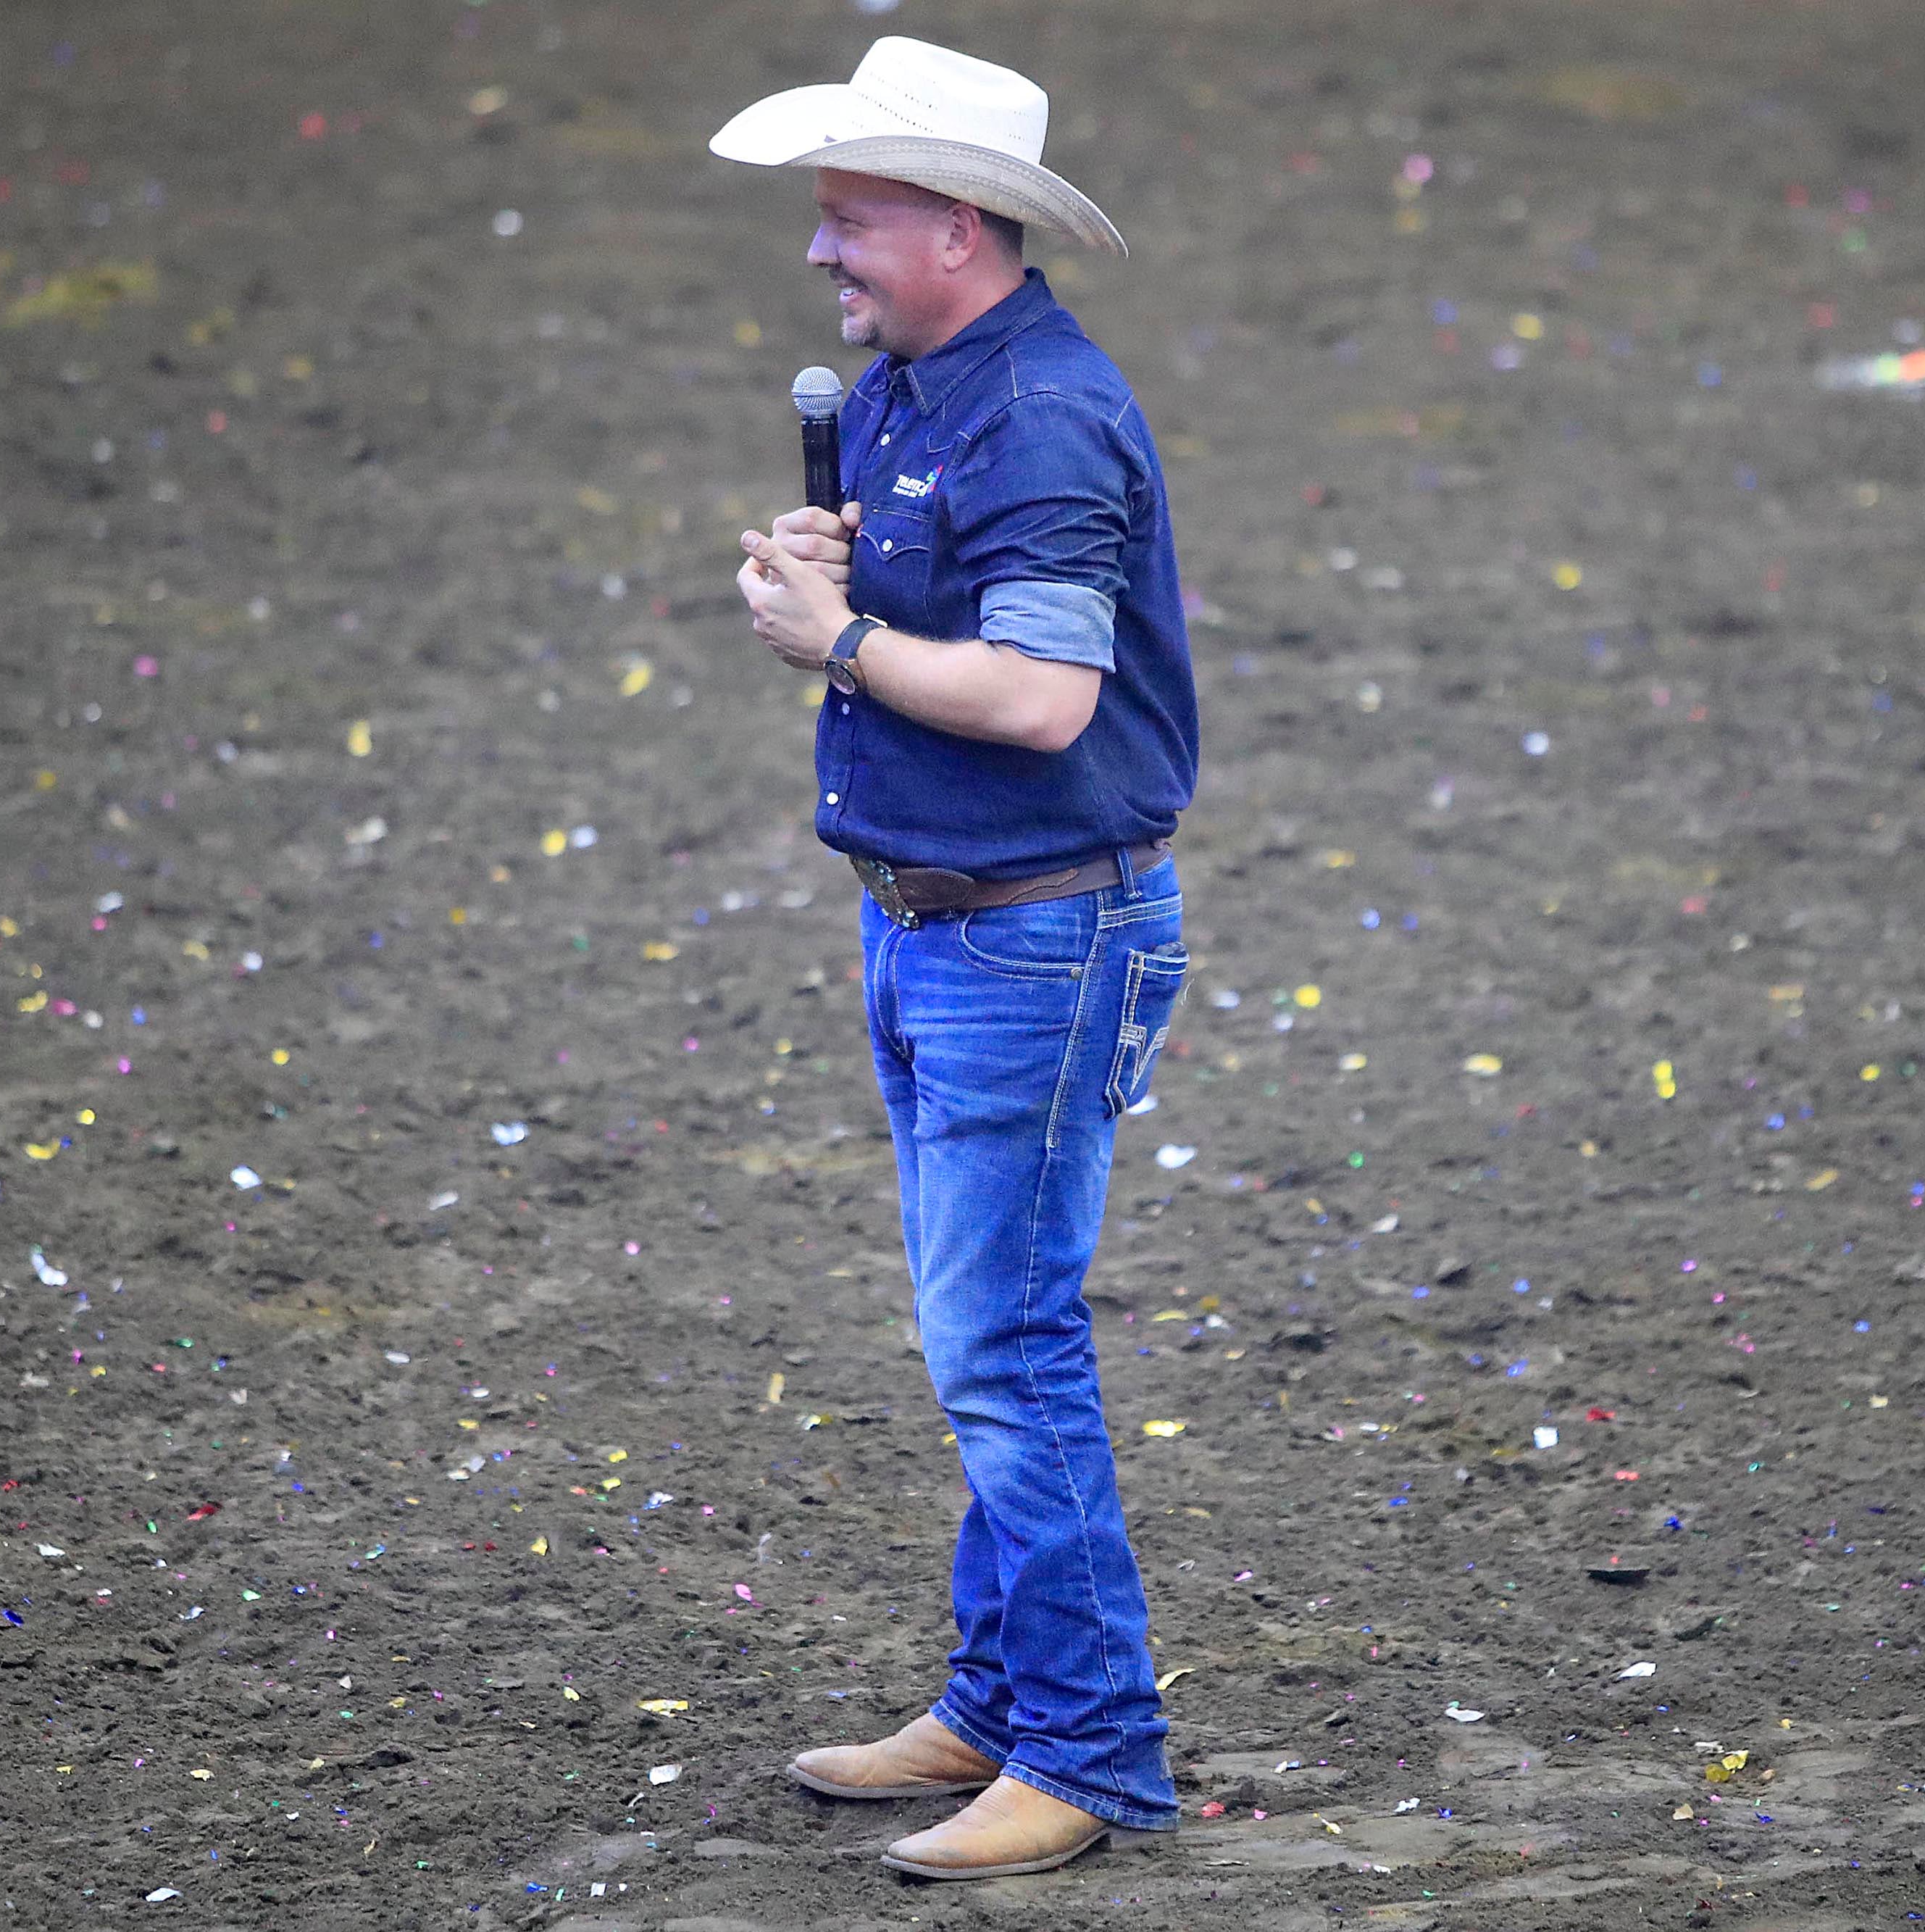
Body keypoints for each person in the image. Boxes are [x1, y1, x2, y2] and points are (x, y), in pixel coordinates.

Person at [714, 36, 1200, 1883]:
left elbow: (1039, 693)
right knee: (987, 1337)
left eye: (848, 219)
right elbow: (948, 623)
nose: (821, 256)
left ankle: (1088, 1748)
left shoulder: (1043, 415)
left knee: (1001, 1348)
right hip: (937, 925)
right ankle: (997, 1701)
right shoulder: (917, 382)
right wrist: (828, 583)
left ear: (957, 224)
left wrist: (836, 642)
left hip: (1030, 938)